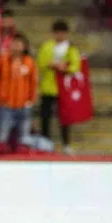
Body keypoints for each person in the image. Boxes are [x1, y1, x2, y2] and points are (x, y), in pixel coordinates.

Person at [36, 20, 81, 153]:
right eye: (58, 33)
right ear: (54, 33)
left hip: (64, 88)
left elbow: (76, 65)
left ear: (66, 34)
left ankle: (66, 144)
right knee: (45, 116)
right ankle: (45, 144)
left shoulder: (71, 48)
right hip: (48, 86)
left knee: (64, 117)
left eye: (62, 33)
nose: (60, 35)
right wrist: (52, 64)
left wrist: (65, 68)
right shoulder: (47, 46)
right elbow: (41, 62)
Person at [0, 32, 37, 145]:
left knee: (24, 139)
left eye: (19, 44)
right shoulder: (2, 59)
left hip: (24, 106)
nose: (16, 46)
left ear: (25, 46)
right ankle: (0, 154)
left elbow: (33, 83)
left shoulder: (29, 62)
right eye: (14, 43)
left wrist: (30, 101)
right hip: (6, 106)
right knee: (2, 137)